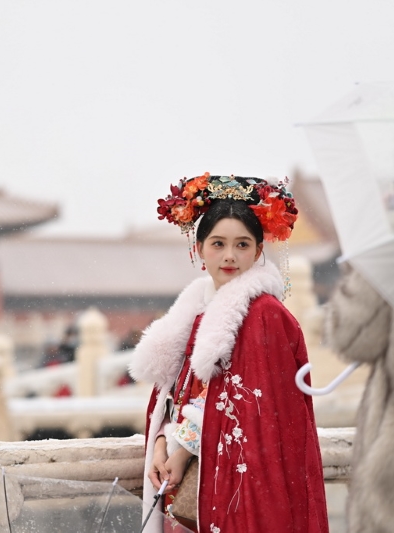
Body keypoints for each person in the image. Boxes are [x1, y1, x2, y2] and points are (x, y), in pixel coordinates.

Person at [129, 174, 328, 533]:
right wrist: (160, 441)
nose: (230, 256)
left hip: (230, 481)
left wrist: (182, 448)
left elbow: (256, 404)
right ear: (199, 248)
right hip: (181, 477)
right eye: (218, 244)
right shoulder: (193, 311)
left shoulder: (265, 314)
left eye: (242, 245)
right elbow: (175, 394)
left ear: (258, 250)